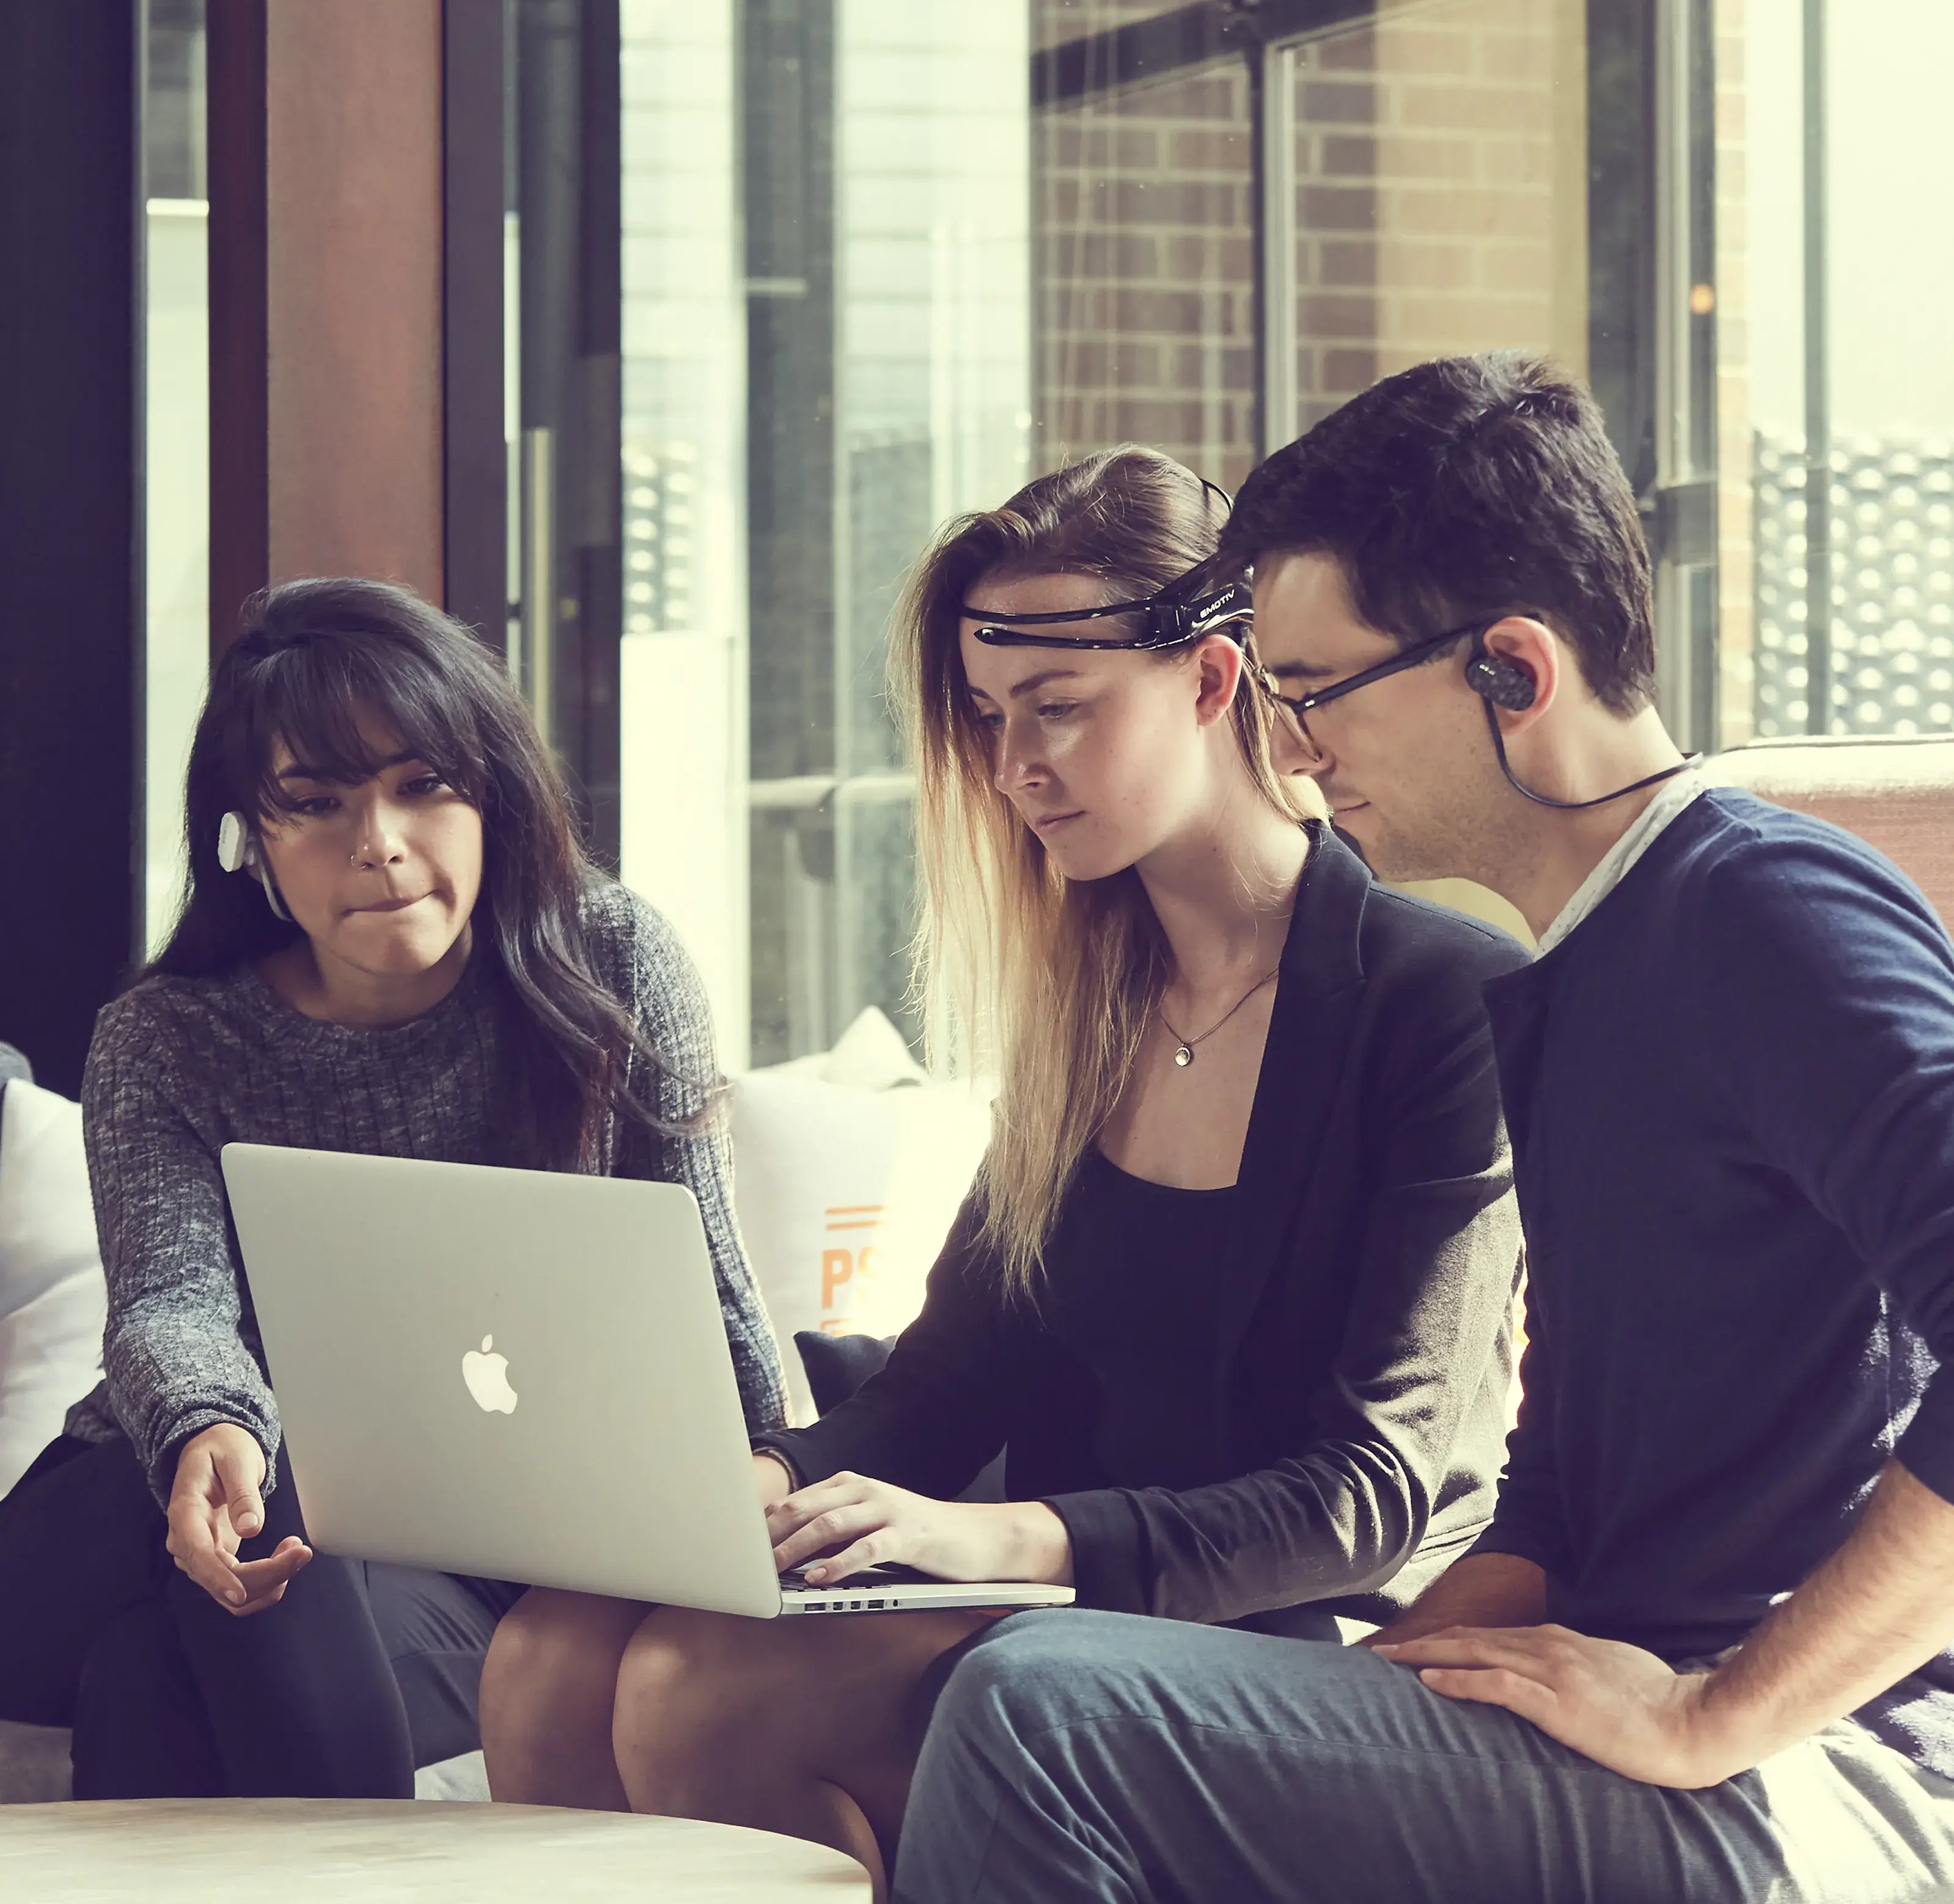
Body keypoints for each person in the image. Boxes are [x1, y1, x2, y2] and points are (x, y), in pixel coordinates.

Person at [891, 354, 1954, 1904]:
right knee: (1047, 1693)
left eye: (1317, 690)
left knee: (1035, 1711)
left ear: (1512, 673)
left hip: (1826, 1774)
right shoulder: (1566, 975)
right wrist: (1350, 1705)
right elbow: (1570, 1495)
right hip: (1613, 1695)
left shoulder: (1763, 909)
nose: (1299, 746)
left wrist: (1717, 1712)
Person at [480, 446, 1529, 1897]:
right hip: (1042, 1585)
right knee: (548, 1651)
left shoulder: (1438, 997)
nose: (1014, 766)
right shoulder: (1089, 1008)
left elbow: (1371, 1492)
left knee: (696, 1691)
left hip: (1292, 1622)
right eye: (987, 718)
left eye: (1059, 710)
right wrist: (758, 1484)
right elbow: (946, 1384)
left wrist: (1001, 1536)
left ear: (1216, 684)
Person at [0, 577, 785, 1799]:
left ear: (493, 794)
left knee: (145, 1679)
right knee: (277, 1468)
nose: (379, 843)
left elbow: (715, 1299)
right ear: (250, 841)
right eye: (315, 804)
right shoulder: (168, 1037)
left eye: (423, 785)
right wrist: (213, 1428)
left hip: (455, 1554)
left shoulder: (612, 961)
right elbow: (170, 1301)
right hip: (145, 1501)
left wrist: (760, 1482)